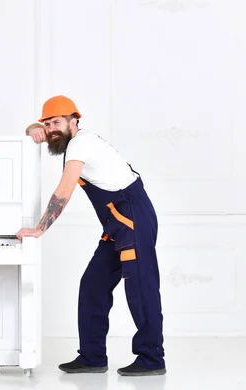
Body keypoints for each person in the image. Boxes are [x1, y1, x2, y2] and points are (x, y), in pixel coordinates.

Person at [16, 95, 166, 376]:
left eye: (57, 122)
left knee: (140, 288)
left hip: (132, 217)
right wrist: (31, 128)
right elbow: (37, 129)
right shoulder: (70, 141)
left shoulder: (81, 143)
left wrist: (39, 230)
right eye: (47, 124)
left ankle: (152, 358)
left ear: (75, 121)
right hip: (116, 223)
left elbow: (64, 190)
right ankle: (92, 356)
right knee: (93, 286)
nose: (51, 129)